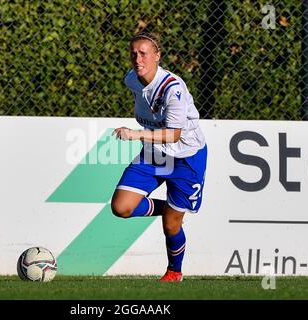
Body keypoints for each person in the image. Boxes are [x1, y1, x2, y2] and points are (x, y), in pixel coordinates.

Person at [111, 31, 207, 282]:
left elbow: (174, 135)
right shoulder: (131, 79)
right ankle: (170, 209)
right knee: (121, 207)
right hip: (156, 153)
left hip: (186, 157)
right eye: (133, 54)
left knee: (171, 226)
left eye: (144, 53)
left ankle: (174, 272)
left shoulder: (173, 89)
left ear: (157, 56)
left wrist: (136, 134)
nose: (138, 59)